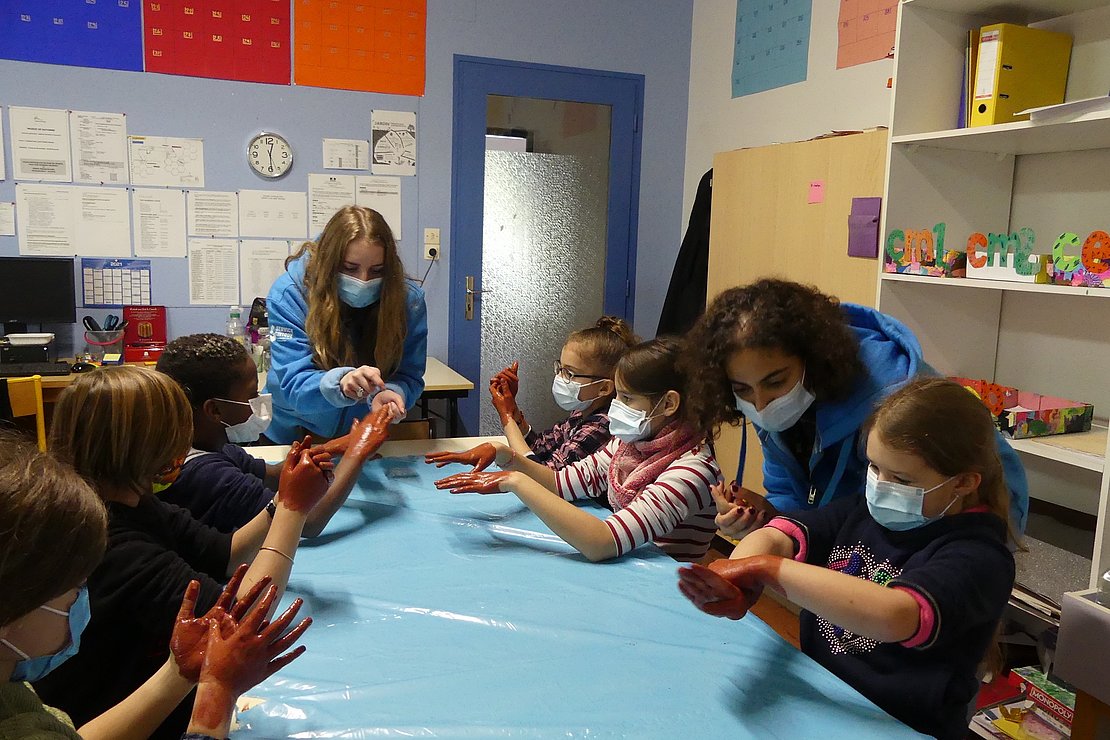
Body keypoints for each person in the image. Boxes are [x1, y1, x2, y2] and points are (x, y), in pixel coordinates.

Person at [678, 378, 1016, 740]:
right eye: (874, 468)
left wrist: (765, 570)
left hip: (898, 726)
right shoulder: (862, 511)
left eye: (900, 478)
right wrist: (736, 578)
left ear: (964, 483)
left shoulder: (980, 555)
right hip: (824, 697)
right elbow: (778, 535)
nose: (880, 486)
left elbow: (896, 615)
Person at [34, 366, 332, 738]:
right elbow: (240, 617)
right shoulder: (113, 544)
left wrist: (277, 504)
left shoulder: (134, 500)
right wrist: (292, 509)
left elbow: (224, 552)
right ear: (146, 444)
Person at [680, 278, 1029, 538]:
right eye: (742, 389)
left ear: (814, 359)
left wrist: (790, 540)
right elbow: (795, 495)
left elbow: (916, 512)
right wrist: (766, 519)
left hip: (954, 533)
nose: (761, 403)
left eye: (774, 382)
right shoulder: (778, 399)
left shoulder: (892, 397)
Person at [429, 338, 721, 562]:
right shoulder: (630, 444)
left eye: (627, 398)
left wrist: (513, 480)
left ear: (669, 404)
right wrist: (503, 454)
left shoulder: (691, 471)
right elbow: (562, 483)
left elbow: (603, 542)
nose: (616, 407)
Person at [156, 332, 394, 533]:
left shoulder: (209, 443)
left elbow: (273, 475)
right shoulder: (206, 474)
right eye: (251, 396)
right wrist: (357, 452)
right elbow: (307, 522)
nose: (259, 402)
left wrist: (337, 446)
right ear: (215, 410)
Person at [266, 205, 428, 443]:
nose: (363, 281)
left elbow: (410, 375)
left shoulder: (407, 300)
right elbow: (294, 385)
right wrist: (341, 385)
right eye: (350, 268)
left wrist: (393, 392)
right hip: (293, 431)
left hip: (361, 432)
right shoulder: (291, 294)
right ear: (329, 262)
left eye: (377, 270)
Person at [488, 316, 638, 469]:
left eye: (569, 373)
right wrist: (513, 410)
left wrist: (506, 417)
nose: (559, 377)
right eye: (560, 369)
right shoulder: (580, 414)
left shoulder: (603, 426)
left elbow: (544, 476)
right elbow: (541, 448)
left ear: (604, 388)